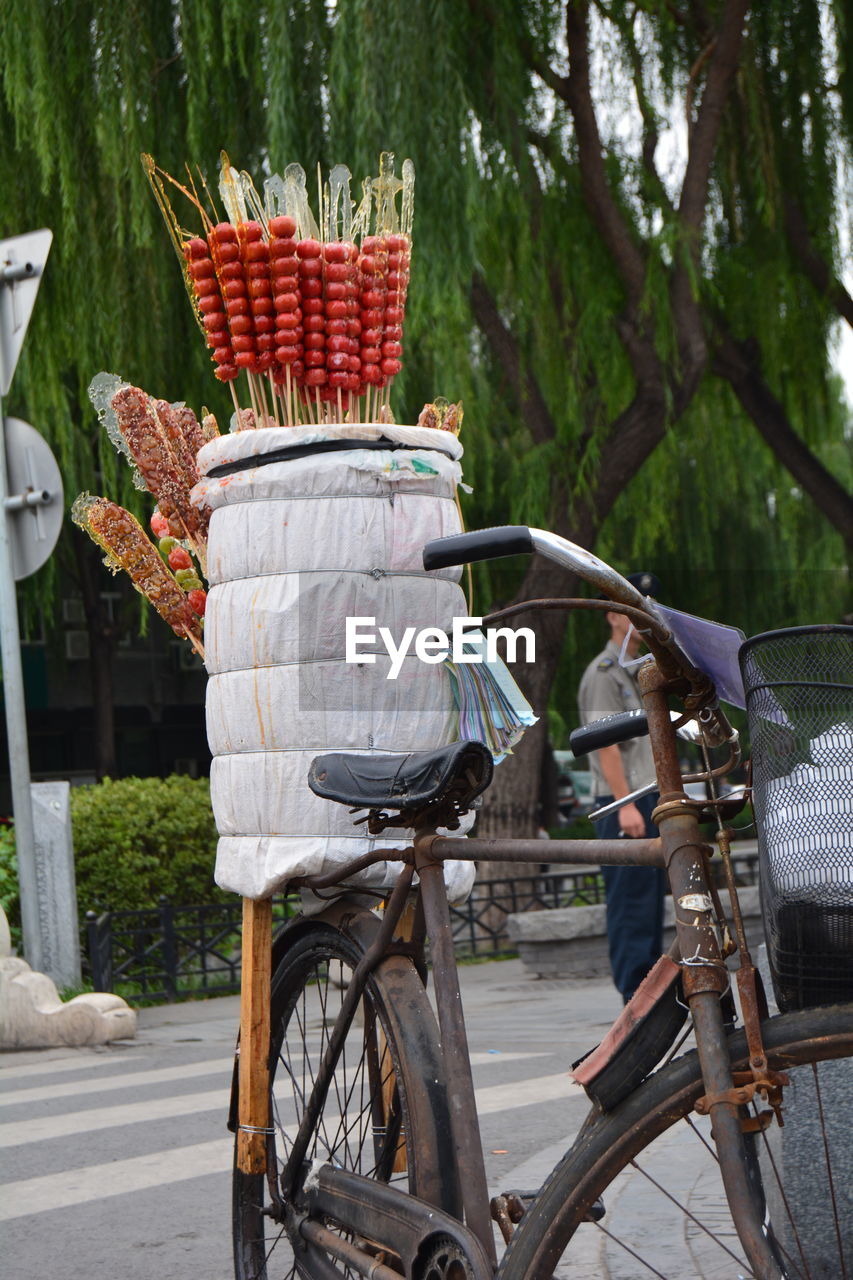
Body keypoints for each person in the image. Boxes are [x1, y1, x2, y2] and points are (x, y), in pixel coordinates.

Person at [577, 572, 666, 1002]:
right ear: (613, 615)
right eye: (633, 607)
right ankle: (635, 1002)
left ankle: (649, 999)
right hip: (623, 802)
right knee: (630, 908)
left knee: (648, 908)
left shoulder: (639, 671)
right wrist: (624, 806)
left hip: (646, 799)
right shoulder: (604, 674)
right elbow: (605, 744)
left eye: (646, 606)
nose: (642, 616)